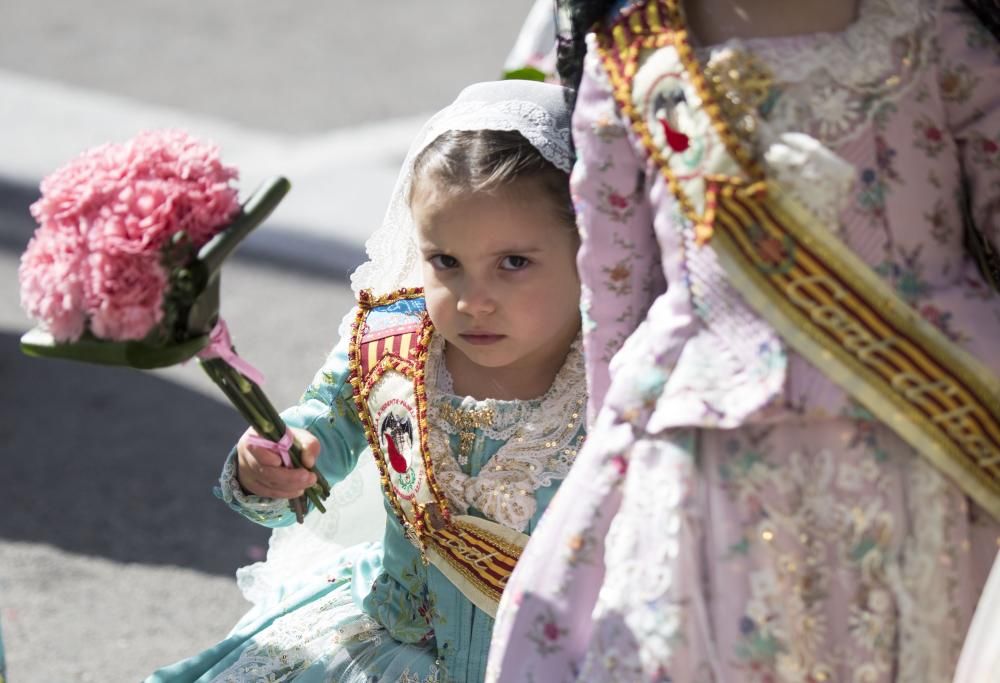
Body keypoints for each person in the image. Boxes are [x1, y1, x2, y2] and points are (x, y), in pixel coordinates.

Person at [486, 0, 1000, 681]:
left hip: (933, 433)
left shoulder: (929, 28)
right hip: (713, 453)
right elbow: (615, 286)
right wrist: (612, 461)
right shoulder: (637, 51)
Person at [146, 79, 585, 683]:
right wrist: (272, 464)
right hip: (386, 648)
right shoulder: (390, 343)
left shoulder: (622, 379)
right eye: (446, 262)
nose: (474, 300)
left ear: (589, 250)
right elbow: (314, 437)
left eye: (514, 263)